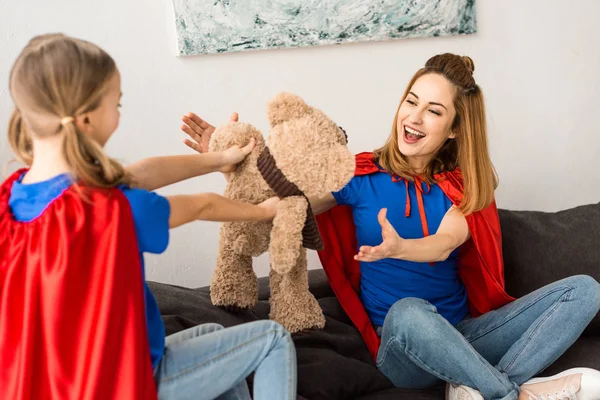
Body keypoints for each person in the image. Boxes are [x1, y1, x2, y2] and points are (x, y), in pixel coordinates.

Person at [182, 54, 600, 400]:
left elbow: (443, 244)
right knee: (409, 311)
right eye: (411, 102)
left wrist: (401, 248)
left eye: (434, 111)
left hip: (464, 335)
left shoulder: (464, 185)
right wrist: (234, 166)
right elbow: (289, 204)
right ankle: (512, 394)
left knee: (584, 290)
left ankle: (473, 382)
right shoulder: (360, 176)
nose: (414, 118)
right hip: (400, 347)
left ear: (454, 129)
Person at [1, 33, 296, 400]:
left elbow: (138, 173)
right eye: (117, 104)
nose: (120, 113)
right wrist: (262, 211)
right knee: (272, 339)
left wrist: (218, 159)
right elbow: (203, 204)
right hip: (126, 384)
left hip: (59, 385)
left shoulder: (12, 201)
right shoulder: (113, 212)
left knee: (212, 339)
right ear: (88, 118)